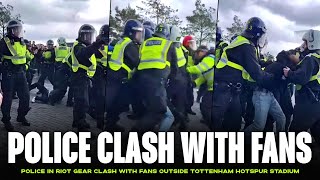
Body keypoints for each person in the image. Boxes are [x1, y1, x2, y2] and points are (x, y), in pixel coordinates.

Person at [212, 17, 274, 132]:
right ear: (257, 34)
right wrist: (274, 78)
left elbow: (249, 61)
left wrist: (267, 63)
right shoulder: (246, 46)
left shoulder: (242, 42)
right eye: (262, 35)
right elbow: (256, 74)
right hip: (225, 90)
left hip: (230, 89)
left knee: (233, 123)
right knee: (218, 122)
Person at [133, 23, 178, 134]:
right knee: (160, 110)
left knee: (150, 109)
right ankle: (134, 133)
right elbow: (174, 68)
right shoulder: (169, 44)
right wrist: (170, 81)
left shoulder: (145, 43)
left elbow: (138, 61)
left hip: (141, 81)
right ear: (167, 34)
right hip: (157, 82)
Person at [68, 24, 108, 131]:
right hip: (79, 76)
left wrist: (102, 43)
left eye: (91, 36)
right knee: (82, 101)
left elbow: (99, 55)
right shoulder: (78, 46)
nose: (89, 38)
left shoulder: (87, 47)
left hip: (84, 77)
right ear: (82, 36)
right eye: (87, 36)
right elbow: (83, 54)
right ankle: (81, 127)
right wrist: (98, 43)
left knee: (80, 101)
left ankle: (77, 122)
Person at [105, 19, 143, 132]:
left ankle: (110, 124)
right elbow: (138, 62)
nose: (140, 35)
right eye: (138, 33)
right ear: (131, 32)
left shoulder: (122, 41)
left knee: (115, 103)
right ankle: (109, 126)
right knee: (120, 103)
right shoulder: (130, 45)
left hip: (114, 75)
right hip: (118, 77)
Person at [284, 29, 320, 144]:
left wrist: (289, 73)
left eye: (305, 42)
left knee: (295, 135)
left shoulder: (310, 58)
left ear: (313, 43)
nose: (303, 45)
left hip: (307, 102)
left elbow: (302, 78)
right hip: (317, 101)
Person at [0, 19, 31, 131]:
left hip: (21, 73)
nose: (19, 31)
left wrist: (26, 66)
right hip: (9, 73)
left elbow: (25, 57)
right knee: (8, 99)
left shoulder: (22, 42)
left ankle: (21, 116)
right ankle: (6, 120)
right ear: (11, 30)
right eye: (17, 29)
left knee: (26, 97)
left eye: (19, 29)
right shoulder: (3, 42)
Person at [166, 25, 188, 130]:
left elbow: (172, 66)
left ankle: (175, 121)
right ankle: (182, 125)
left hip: (174, 79)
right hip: (182, 79)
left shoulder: (170, 47)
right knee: (179, 103)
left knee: (167, 100)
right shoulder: (180, 48)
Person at [187, 46, 215, 127]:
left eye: (197, 53)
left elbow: (199, 69)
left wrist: (185, 69)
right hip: (212, 87)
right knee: (205, 105)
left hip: (215, 88)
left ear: (202, 52)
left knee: (206, 106)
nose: (196, 55)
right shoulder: (208, 59)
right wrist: (195, 83)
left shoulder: (209, 58)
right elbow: (204, 76)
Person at [90, 24, 109, 130]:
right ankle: (100, 121)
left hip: (106, 73)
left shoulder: (108, 42)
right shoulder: (98, 42)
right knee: (101, 96)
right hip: (99, 72)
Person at [182, 35, 197, 115]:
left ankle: (188, 108)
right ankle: (184, 113)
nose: (193, 45)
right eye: (191, 43)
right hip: (184, 74)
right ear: (187, 43)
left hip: (190, 74)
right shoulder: (183, 50)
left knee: (190, 95)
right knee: (184, 95)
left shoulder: (192, 52)